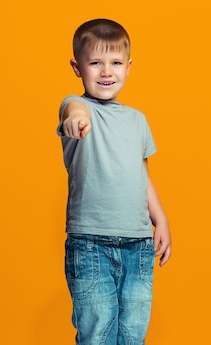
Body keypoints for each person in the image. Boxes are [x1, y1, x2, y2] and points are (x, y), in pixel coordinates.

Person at [57, 18, 171, 344]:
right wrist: (75, 119)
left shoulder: (138, 120)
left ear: (128, 67)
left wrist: (160, 219)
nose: (107, 71)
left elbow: (142, 175)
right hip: (91, 243)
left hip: (138, 243)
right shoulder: (76, 107)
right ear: (77, 67)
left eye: (116, 63)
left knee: (133, 332)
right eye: (96, 63)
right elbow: (72, 109)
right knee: (97, 330)